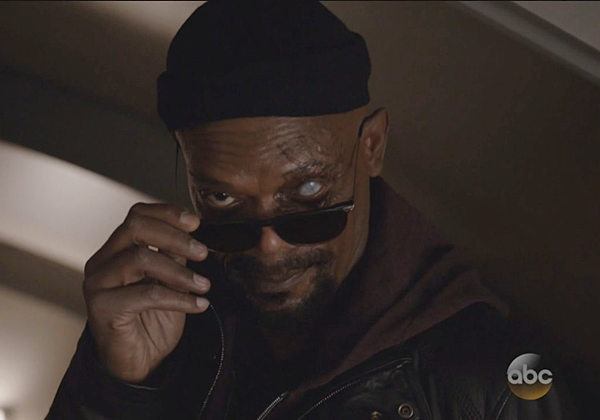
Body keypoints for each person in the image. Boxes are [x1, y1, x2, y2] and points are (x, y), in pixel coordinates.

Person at [47, 1, 583, 419]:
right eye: (223, 199)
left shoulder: (495, 381)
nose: (269, 245)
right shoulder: (168, 322)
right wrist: (119, 390)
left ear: (372, 147)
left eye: (307, 193)